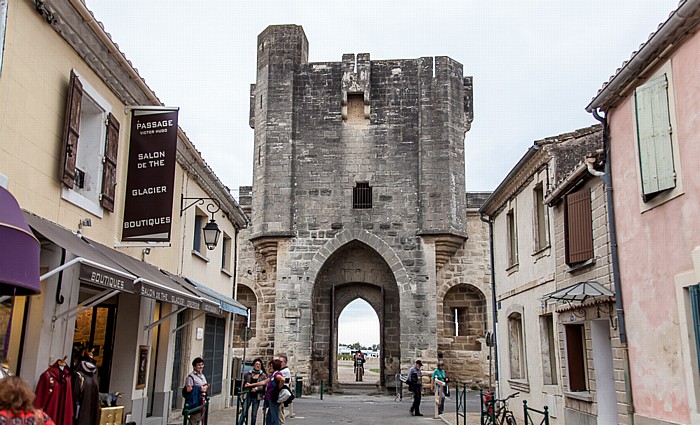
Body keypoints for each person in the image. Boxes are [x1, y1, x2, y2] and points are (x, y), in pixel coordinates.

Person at [241, 358, 267, 425]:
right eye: (256, 364)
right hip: (248, 395)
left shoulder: (263, 375)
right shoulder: (249, 374)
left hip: (257, 396)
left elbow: (264, 387)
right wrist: (246, 386)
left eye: (259, 364)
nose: (258, 366)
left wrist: (256, 389)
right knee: (244, 411)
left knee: (254, 414)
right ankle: (240, 423)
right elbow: (245, 384)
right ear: (253, 365)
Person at [184, 357, 210, 425]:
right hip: (195, 401)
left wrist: (206, 386)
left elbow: (205, 384)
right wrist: (200, 389)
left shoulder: (202, 375)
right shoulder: (191, 377)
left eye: (202, 364)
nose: (200, 366)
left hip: (202, 400)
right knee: (195, 419)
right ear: (194, 366)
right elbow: (188, 389)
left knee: (199, 419)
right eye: (198, 365)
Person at [264, 359, 285, 425]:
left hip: (273, 398)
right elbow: (264, 382)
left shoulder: (276, 375)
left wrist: (279, 387)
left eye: (270, 366)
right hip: (270, 398)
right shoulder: (272, 375)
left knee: (274, 417)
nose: (269, 368)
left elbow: (282, 379)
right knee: (269, 418)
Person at [277, 354, 292, 423]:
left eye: (281, 362)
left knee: (280, 416)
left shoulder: (284, 371)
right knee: (280, 413)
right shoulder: (282, 370)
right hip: (281, 394)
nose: (279, 363)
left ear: (285, 363)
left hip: (281, 394)